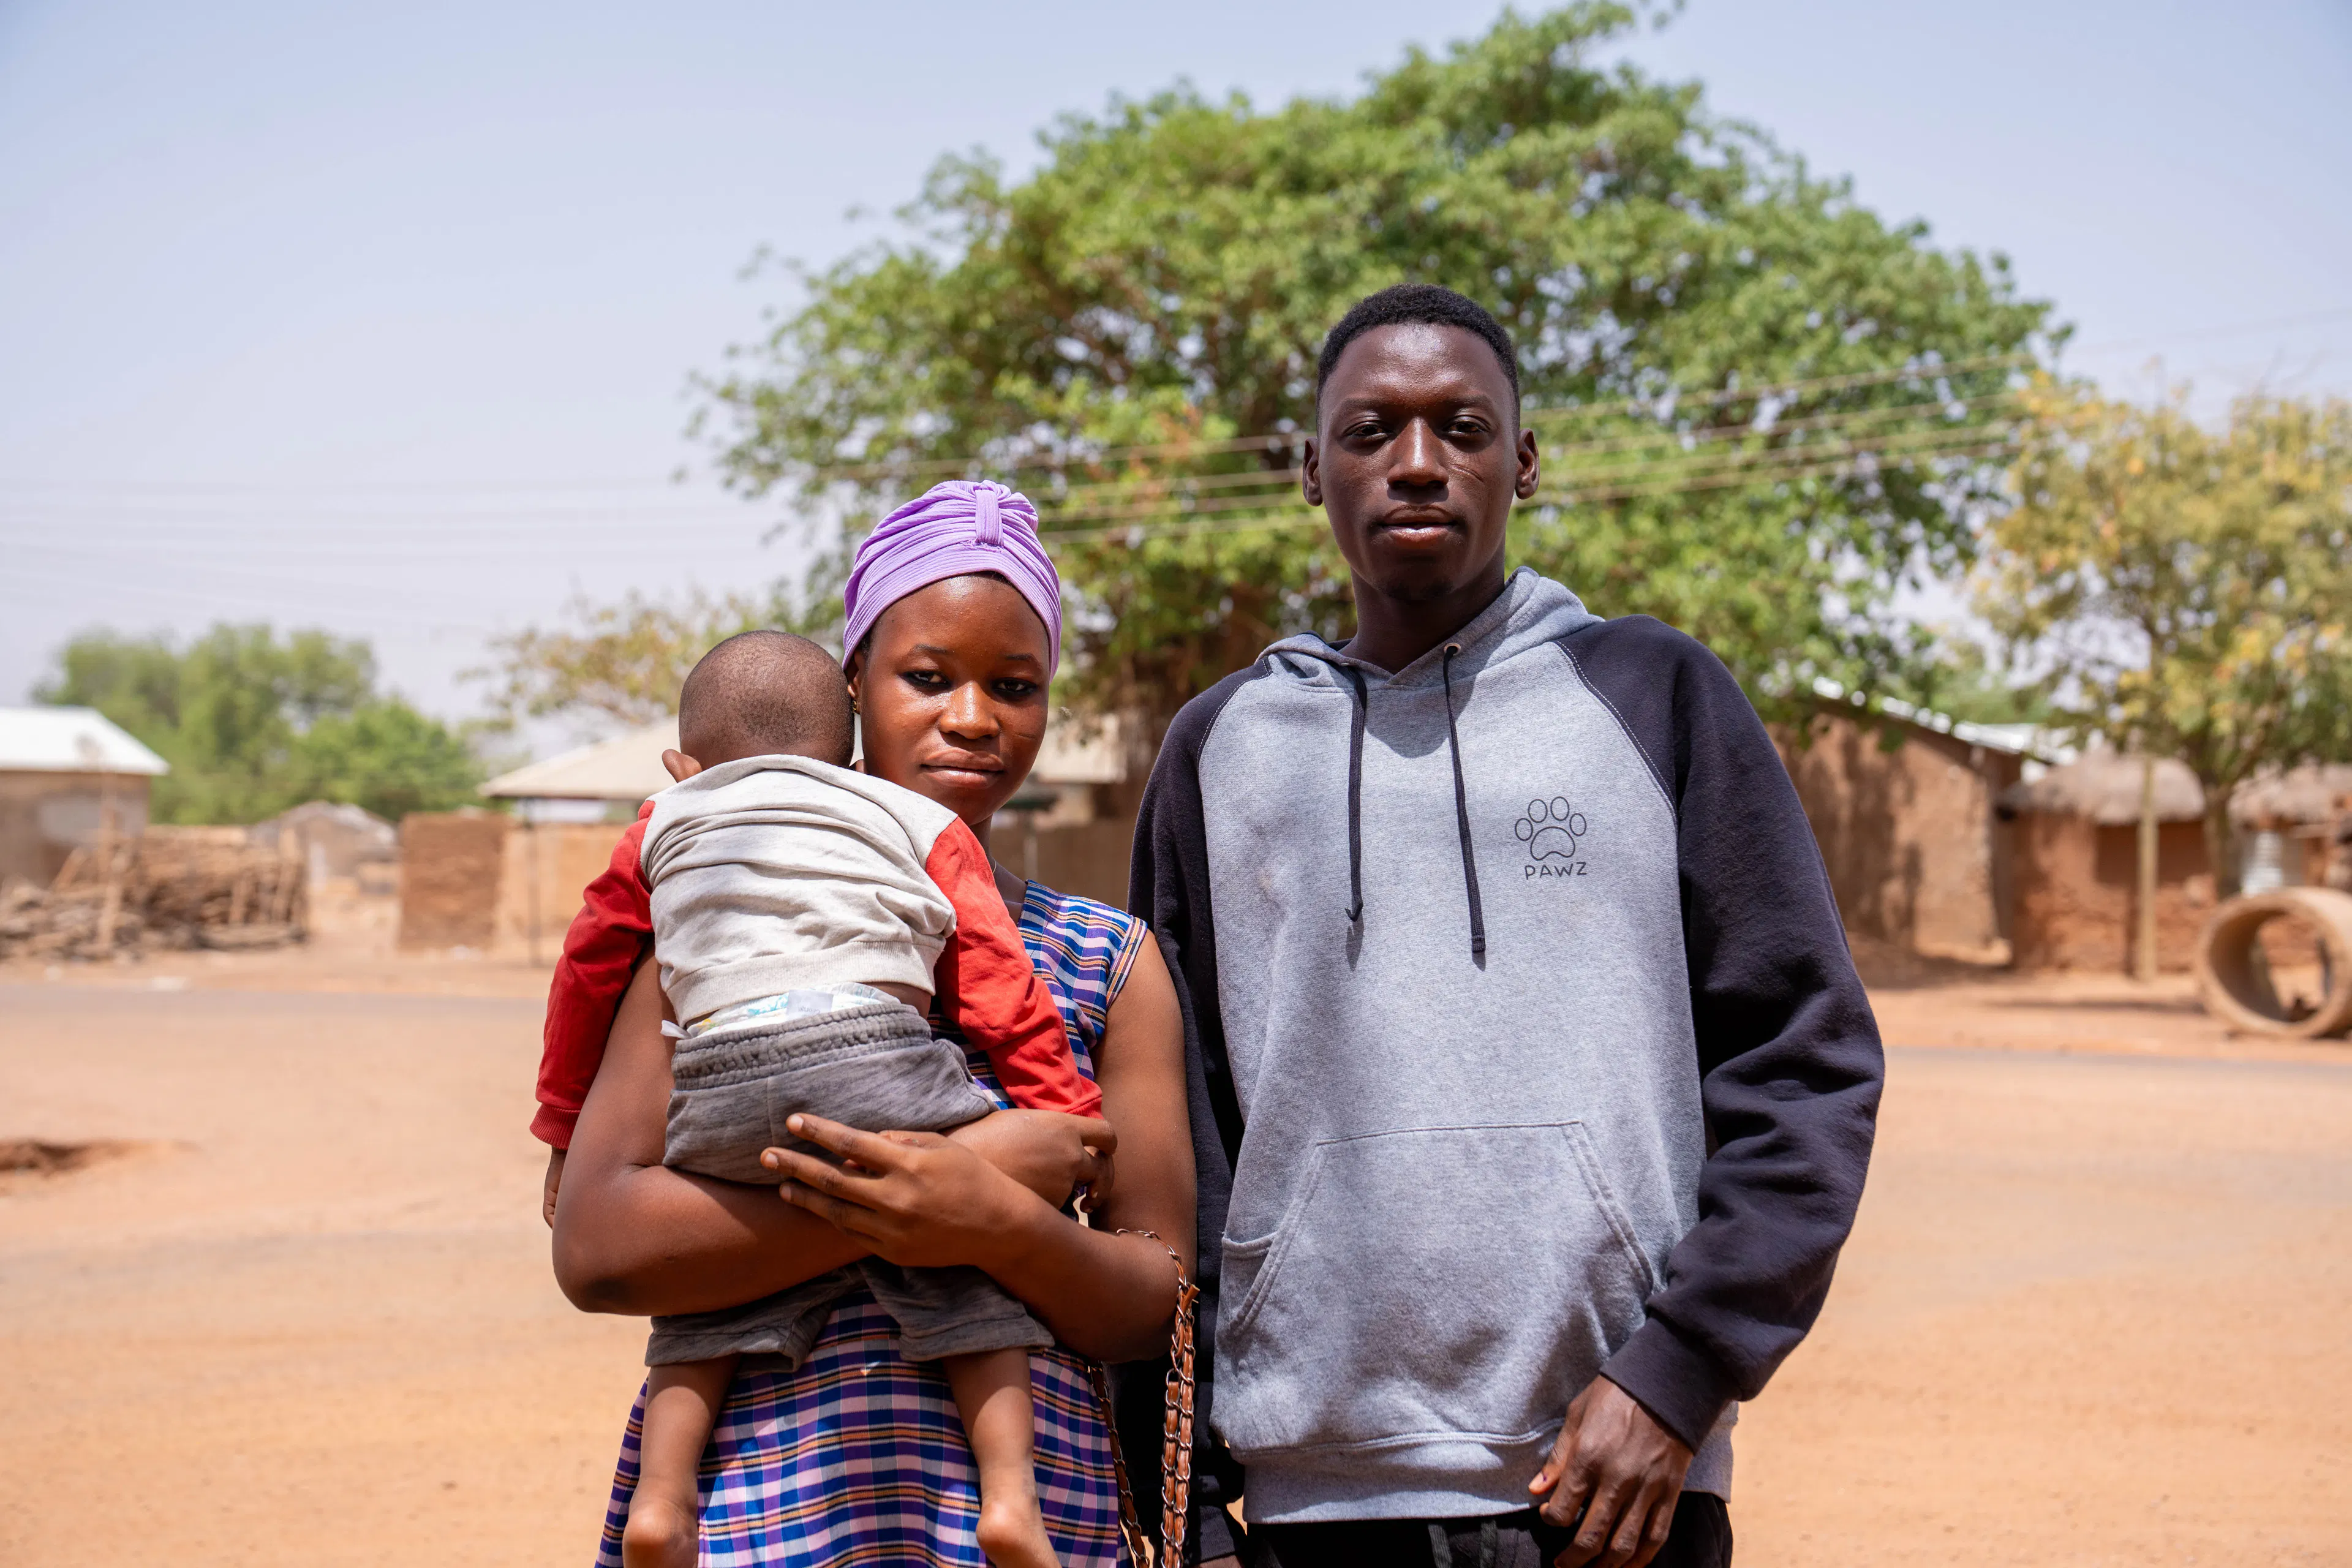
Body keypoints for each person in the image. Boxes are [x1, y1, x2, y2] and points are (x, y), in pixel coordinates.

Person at [1126, 285, 1884, 1568]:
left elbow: (1806, 1057)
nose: (1417, 462)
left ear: (1522, 461)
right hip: (1313, 1496)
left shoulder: (1656, 695)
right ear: (1312, 468)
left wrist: (1680, 1374)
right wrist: (1184, 1483)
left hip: (1612, 1473)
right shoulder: (1224, 749)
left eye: (1462, 427)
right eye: (1369, 431)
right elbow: (1173, 1130)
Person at [552, 481, 1196, 1568]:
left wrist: (996, 1224)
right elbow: (599, 1250)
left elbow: (1150, 1305)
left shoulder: (1105, 964)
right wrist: (957, 1179)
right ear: (851, 685)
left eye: (1018, 687)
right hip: (761, 1510)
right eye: (927, 678)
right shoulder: (715, 936)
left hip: (1026, 1521)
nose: (974, 718)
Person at [601, 629, 1106, 1568]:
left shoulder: (664, 820)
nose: (966, 715)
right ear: (851, 736)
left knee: (702, 1313)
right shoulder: (900, 819)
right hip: (867, 1051)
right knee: (966, 1263)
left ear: (680, 764)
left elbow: (589, 966)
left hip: (718, 1068)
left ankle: (663, 1501)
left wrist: (558, 1129)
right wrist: (1057, 1111)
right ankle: (1009, 1498)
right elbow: (995, 972)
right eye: (924, 679)